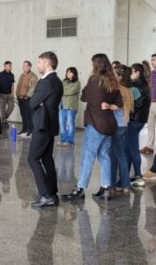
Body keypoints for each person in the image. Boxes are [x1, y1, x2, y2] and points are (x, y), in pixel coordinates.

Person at [64, 53, 123, 201]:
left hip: (96, 124)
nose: (91, 67)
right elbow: (119, 104)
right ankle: (105, 188)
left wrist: (88, 85)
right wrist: (109, 105)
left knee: (87, 156)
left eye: (92, 64)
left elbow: (84, 97)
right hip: (109, 124)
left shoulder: (94, 79)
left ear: (97, 65)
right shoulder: (113, 82)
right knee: (104, 156)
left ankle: (80, 188)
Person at [27, 52, 63, 208]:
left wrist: (38, 103)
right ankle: (52, 194)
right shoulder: (57, 81)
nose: (37, 65)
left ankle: (45, 194)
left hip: (42, 125)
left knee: (33, 158)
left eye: (40, 62)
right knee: (47, 159)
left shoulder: (45, 82)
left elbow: (32, 102)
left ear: (47, 64)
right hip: (51, 124)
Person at [109, 64, 133, 194]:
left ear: (118, 77)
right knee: (121, 154)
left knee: (113, 155)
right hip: (124, 123)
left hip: (116, 124)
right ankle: (125, 185)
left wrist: (107, 106)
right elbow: (132, 107)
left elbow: (116, 106)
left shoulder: (116, 89)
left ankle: (112, 184)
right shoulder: (128, 90)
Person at [127, 63, 150, 186]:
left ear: (137, 73)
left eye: (131, 72)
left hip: (134, 120)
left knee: (133, 149)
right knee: (132, 148)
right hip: (141, 119)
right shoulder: (145, 84)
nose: (129, 75)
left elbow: (131, 106)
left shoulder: (135, 87)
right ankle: (134, 175)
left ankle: (138, 176)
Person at [141, 53, 156, 155]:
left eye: (154, 60)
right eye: (151, 60)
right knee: (150, 126)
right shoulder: (151, 74)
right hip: (151, 103)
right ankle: (150, 146)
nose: (152, 62)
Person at [58, 67, 81, 146]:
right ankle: (63, 139)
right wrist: (65, 90)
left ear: (74, 73)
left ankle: (70, 141)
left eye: (70, 72)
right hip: (62, 106)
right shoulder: (63, 81)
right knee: (62, 124)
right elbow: (60, 90)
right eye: (67, 72)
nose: (68, 74)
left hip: (71, 107)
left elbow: (72, 91)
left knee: (70, 124)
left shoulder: (77, 83)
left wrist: (64, 90)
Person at [15, 61, 38, 137]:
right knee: (23, 115)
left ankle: (30, 131)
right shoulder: (22, 75)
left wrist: (27, 96)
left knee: (29, 115)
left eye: (25, 65)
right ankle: (24, 130)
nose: (23, 67)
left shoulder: (33, 76)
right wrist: (17, 94)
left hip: (27, 99)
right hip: (20, 98)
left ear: (29, 67)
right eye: (23, 65)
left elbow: (32, 88)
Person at [0, 61, 16, 129]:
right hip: (1, 94)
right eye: (9, 65)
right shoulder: (0, 74)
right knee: (2, 108)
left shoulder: (12, 75)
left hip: (9, 94)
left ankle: (4, 118)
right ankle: (3, 121)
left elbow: (12, 84)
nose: (10, 67)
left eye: (11, 65)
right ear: (5, 66)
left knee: (12, 106)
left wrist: (12, 93)